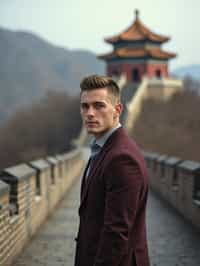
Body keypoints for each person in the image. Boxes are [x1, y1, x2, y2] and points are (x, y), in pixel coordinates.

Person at [74, 75, 150, 266]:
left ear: (117, 110)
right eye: (85, 106)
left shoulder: (122, 159)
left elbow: (116, 233)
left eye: (99, 105)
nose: (90, 113)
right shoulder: (102, 149)